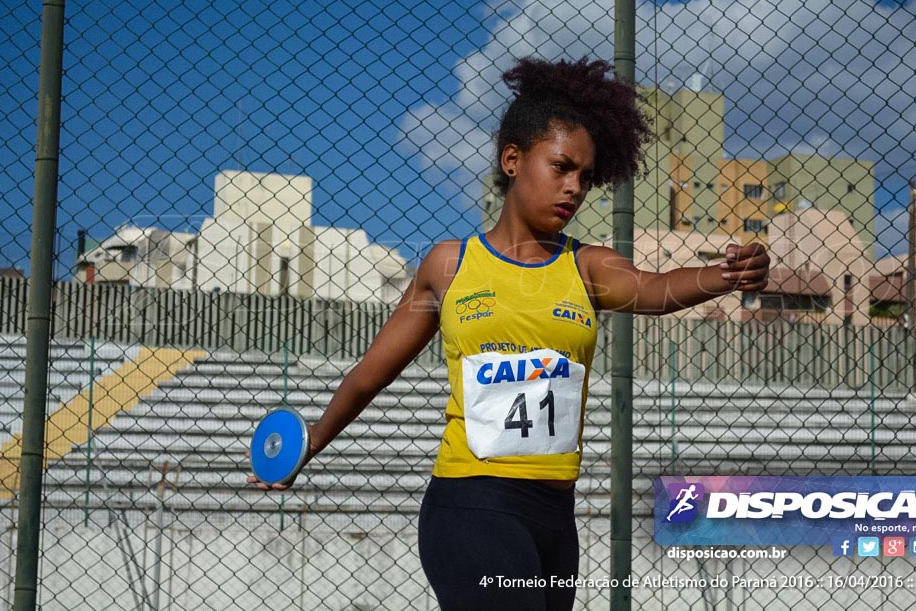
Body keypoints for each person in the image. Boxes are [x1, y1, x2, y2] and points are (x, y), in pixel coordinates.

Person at [248, 57, 770, 610]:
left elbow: (656, 290)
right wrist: (312, 442)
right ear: (513, 159)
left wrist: (728, 274)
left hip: (553, 521)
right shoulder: (449, 267)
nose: (575, 189)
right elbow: (369, 374)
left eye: (586, 178)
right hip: (471, 504)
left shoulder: (589, 267)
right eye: (562, 166)